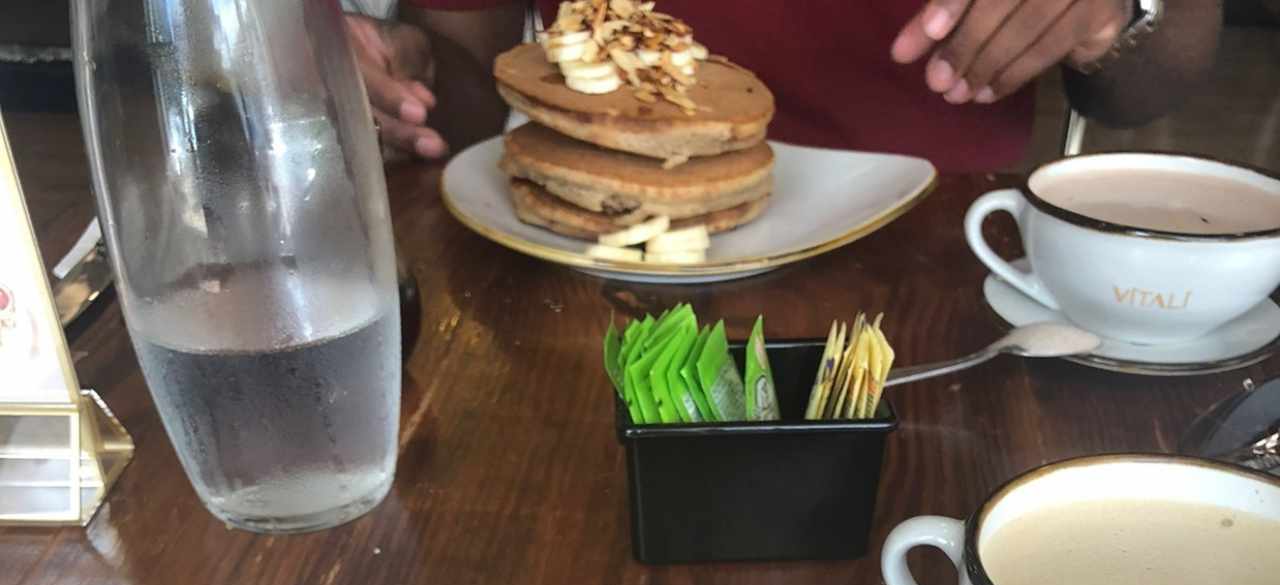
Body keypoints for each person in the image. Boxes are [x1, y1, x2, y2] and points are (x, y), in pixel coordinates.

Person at [345, 0, 1221, 171]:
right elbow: (460, 91)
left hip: (932, 274)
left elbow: (1142, 89)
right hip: (598, 269)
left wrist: (1123, 11)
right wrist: (394, 82)